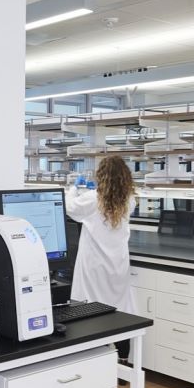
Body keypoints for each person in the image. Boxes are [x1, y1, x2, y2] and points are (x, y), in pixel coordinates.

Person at [65, 155, 137, 362]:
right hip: (118, 265)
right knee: (120, 312)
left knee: (92, 313)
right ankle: (123, 361)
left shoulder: (93, 199)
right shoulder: (130, 200)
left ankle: (99, 362)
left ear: (101, 176)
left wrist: (73, 189)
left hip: (94, 265)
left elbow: (70, 207)